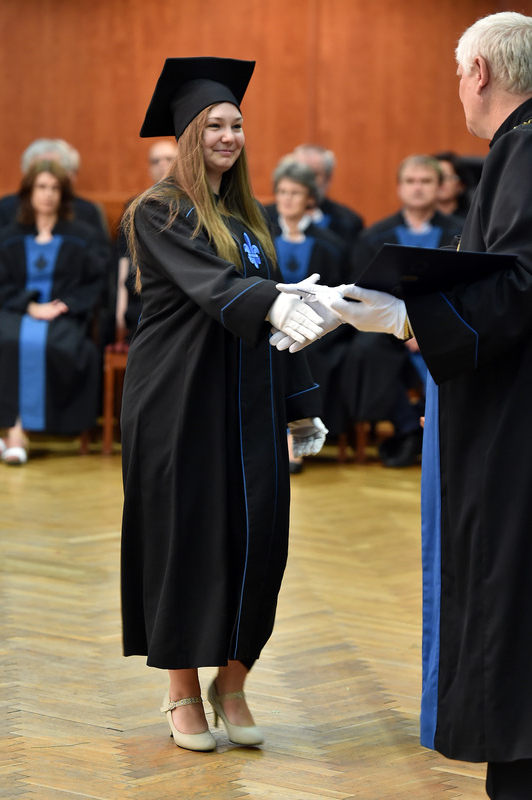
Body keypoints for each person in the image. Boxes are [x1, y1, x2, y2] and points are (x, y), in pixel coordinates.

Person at [281, 12, 532, 798]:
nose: (457, 88)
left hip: (512, 422)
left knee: (506, 586)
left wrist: (406, 317)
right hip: (504, 405)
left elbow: (518, 285)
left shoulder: (523, 147)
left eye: (458, 74)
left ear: (479, 73)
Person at [119, 56, 329, 753]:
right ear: (188, 134)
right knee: (185, 541)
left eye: (237, 124)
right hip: (179, 401)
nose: (229, 136)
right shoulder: (158, 210)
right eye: (214, 125)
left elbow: (278, 319)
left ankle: (232, 682)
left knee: (259, 540)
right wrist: (280, 299)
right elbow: (215, 288)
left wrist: (300, 402)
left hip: (250, 401)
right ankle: (181, 689)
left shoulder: (250, 215)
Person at [342, 154, 463, 467]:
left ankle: (430, 428)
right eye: (410, 181)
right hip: (386, 326)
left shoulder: (462, 233)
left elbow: (465, 287)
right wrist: (404, 327)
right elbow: (364, 291)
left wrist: (425, 326)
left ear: (440, 187)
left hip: (445, 322)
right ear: (399, 187)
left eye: (426, 181)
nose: (417, 188)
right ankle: (408, 424)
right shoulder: (374, 236)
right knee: (364, 350)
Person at [0, 160, 106, 464]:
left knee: (54, 345)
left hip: (63, 314)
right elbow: (1, 283)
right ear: (29, 193)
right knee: (8, 340)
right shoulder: (7, 236)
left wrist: (64, 304)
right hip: (16, 309)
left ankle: (14, 435)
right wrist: (29, 305)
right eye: (41, 187)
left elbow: (95, 282)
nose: (48, 194)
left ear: (63, 194)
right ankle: (15, 433)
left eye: (55, 188)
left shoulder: (83, 235)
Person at [270, 156, 352, 469]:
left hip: (318, 329)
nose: (287, 199)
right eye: (282, 192)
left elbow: (339, 294)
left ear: (310, 199)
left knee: (307, 352)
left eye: (295, 192)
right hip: (269, 322)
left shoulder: (331, 244)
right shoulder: (260, 234)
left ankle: (297, 436)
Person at [115, 140, 177, 342]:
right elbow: (124, 261)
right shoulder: (135, 207)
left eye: (169, 159)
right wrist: (120, 310)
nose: (162, 164)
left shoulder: (196, 205)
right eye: (155, 161)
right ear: (149, 169)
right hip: (144, 299)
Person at [266, 143, 364, 251]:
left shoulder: (347, 223)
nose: (306, 179)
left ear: (328, 178)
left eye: (314, 173)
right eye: (299, 172)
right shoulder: (264, 217)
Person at [433, 150, 474, 219]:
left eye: (445, 177)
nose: (440, 181)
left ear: (461, 185)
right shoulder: (421, 220)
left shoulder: (471, 220)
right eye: (436, 177)